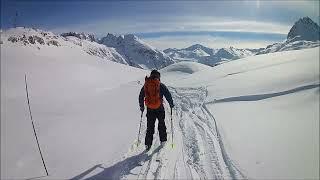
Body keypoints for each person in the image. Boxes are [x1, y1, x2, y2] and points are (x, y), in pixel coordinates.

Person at [139, 70, 174, 151]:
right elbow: (168, 95)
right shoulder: (160, 85)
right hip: (159, 108)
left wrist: (142, 106)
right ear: (158, 77)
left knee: (150, 126)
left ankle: (148, 144)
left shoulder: (146, 85)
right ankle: (163, 141)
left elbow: (141, 96)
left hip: (150, 109)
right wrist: (171, 104)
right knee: (161, 123)